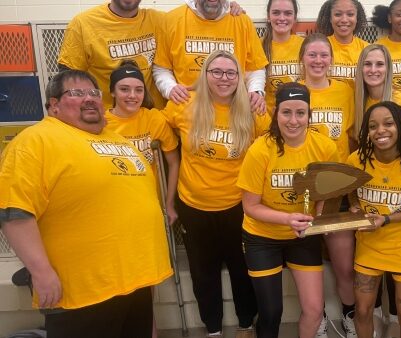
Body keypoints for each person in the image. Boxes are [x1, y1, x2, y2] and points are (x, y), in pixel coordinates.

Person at [0, 70, 172, 337]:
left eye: (93, 92)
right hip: (83, 291)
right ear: (53, 105)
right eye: (76, 93)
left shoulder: (114, 138)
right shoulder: (35, 141)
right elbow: (14, 212)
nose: (89, 98)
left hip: (134, 282)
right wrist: (41, 272)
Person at [161, 50, 270, 338]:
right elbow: (154, 128)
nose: (224, 78)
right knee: (203, 275)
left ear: (240, 78)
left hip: (237, 206)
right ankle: (213, 330)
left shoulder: (253, 110)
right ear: (205, 74)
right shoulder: (184, 105)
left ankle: (246, 326)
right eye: (217, 72)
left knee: (242, 272)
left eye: (231, 73)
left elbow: (270, 152)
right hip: (194, 207)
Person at [238, 82, 339, 338]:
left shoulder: (325, 147)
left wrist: (319, 219)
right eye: (286, 112)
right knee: (271, 313)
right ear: (276, 114)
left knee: (315, 310)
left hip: (301, 237)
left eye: (300, 113)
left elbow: (325, 194)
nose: (293, 120)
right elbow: (250, 207)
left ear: (309, 115)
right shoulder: (260, 150)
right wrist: (287, 218)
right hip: (262, 236)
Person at [348, 101, 401, 338]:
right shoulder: (356, 160)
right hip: (369, 247)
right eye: (373, 126)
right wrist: (356, 208)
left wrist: (386, 219)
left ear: (400, 126)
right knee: (363, 311)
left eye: (388, 123)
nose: (381, 131)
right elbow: (351, 193)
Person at [353, 43, 401, 338]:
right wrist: (355, 206)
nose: (373, 70)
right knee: (365, 309)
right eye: (367, 64)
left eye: (379, 64)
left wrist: (389, 213)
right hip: (369, 239)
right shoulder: (356, 102)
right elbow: (350, 174)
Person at [298, 33, 356, 338]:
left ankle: (350, 317)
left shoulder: (345, 91)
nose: (318, 61)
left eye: (324, 55)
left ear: (332, 60)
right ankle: (317, 318)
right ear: (302, 59)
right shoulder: (292, 92)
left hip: (338, 189)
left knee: (344, 265)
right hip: (304, 191)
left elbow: (354, 136)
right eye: (312, 55)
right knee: (308, 264)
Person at [153, 0, 268, 114]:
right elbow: (162, 67)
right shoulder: (172, 20)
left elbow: (255, 68)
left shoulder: (242, 21)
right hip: (186, 109)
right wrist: (170, 88)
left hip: (231, 112)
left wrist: (255, 91)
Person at [104, 60, 180, 225]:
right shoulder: (101, 124)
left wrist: (169, 204)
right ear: (112, 92)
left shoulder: (154, 119)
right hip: (114, 203)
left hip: (149, 202)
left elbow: (173, 163)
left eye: (138, 90)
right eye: (124, 89)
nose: (132, 95)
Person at [58, 0, 166, 109]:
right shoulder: (83, 24)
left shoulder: (158, 20)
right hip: (107, 119)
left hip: (151, 117)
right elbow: (68, 80)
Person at [262, 0, 304, 116]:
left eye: (288, 13)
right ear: (268, 17)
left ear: (295, 17)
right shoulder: (258, 46)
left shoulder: (305, 45)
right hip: (268, 119)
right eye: (276, 13)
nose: (282, 18)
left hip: (298, 119)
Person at [316, 0, 370, 87]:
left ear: (357, 18)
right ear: (330, 18)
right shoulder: (320, 47)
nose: (344, 20)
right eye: (338, 14)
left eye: (350, 14)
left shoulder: (367, 49)